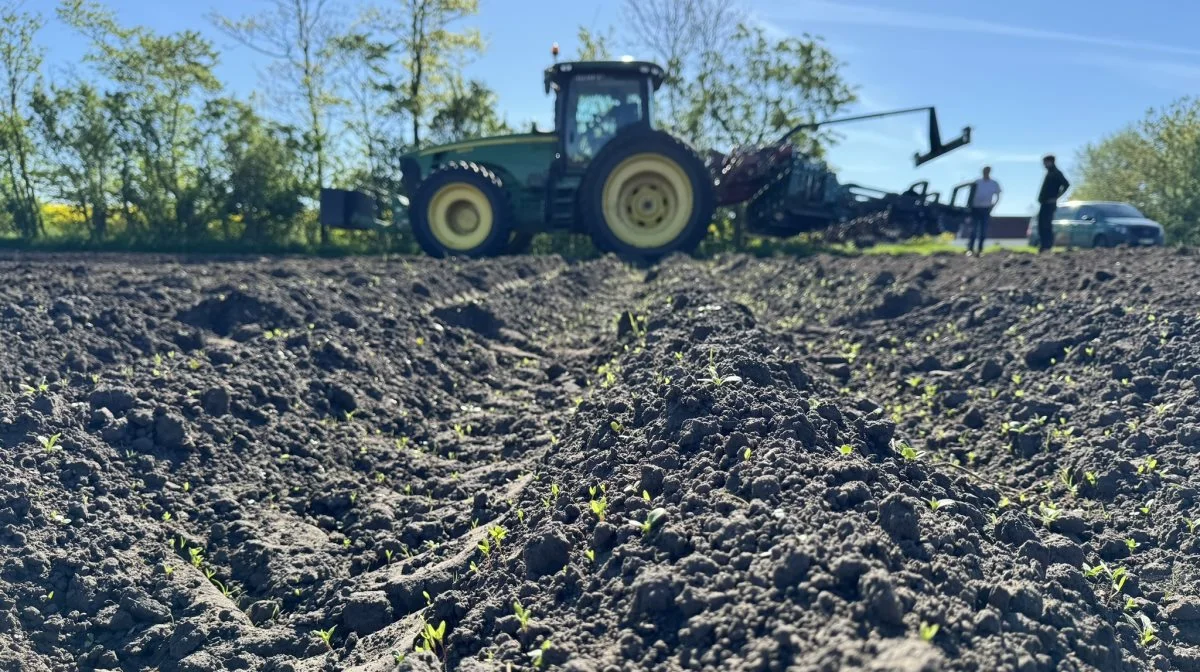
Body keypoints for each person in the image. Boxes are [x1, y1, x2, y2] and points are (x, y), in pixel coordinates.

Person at [1036, 155, 1070, 252]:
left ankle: (1047, 246)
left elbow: (1066, 184)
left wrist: (1056, 197)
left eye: (1045, 162)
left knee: (1046, 224)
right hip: (1044, 202)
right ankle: (1043, 245)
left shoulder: (1056, 173)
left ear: (1050, 162)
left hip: (1049, 203)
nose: (1044, 165)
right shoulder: (1049, 173)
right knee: (1041, 224)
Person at [967, 166, 1001, 255]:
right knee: (973, 229)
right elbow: (970, 195)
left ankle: (980, 249)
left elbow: (998, 196)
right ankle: (970, 249)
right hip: (975, 208)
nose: (985, 172)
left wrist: (993, 206)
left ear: (989, 172)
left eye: (987, 171)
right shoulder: (977, 182)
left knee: (983, 229)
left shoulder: (994, 183)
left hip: (986, 209)